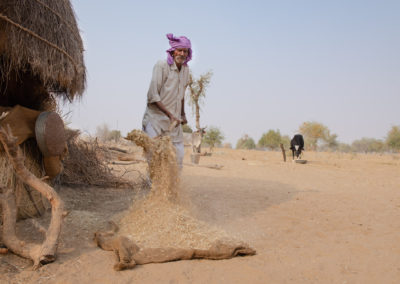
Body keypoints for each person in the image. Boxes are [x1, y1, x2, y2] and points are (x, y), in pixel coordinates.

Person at [142, 33, 192, 168]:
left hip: (174, 123)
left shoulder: (186, 70)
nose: (182, 53)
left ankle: (172, 188)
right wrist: (170, 115)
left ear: (188, 54)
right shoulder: (162, 66)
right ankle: (153, 188)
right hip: (155, 120)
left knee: (178, 157)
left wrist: (182, 114)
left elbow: (181, 95)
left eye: (185, 51)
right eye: (179, 50)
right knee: (154, 159)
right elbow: (152, 96)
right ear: (173, 51)